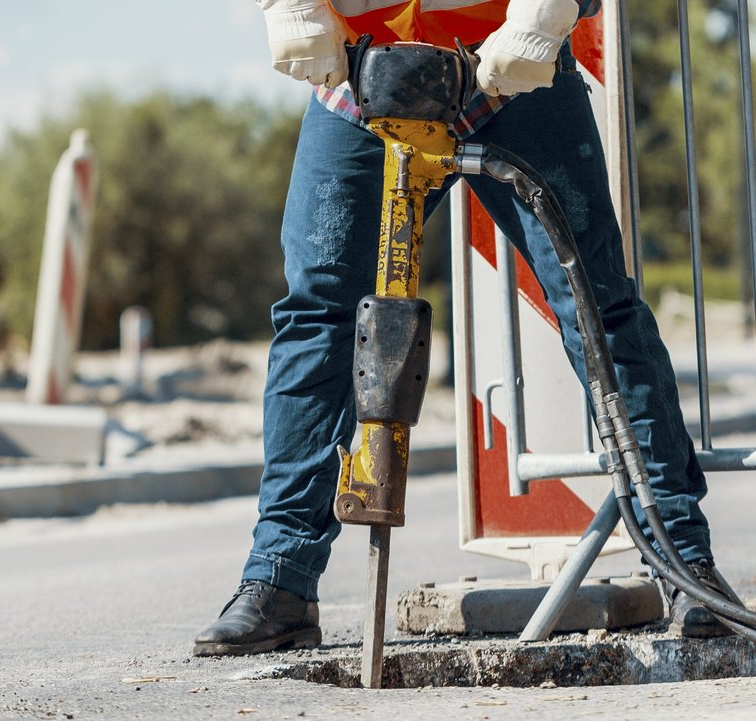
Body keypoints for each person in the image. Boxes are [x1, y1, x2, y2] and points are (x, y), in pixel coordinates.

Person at [194, 0, 731, 654]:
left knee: (595, 304)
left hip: (508, 59)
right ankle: (279, 579)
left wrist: (540, 21)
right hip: (362, 69)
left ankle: (683, 562)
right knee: (318, 313)